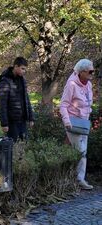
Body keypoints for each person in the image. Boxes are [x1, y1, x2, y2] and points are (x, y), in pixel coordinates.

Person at [60, 59, 94, 190]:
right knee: (81, 152)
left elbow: (88, 102)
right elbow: (63, 105)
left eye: (93, 71)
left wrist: (88, 113)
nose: (92, 73)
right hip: (73, 123)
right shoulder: (71, 84)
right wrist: (67, 122)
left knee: (79, 151)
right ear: (81, 72)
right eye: (90, 71)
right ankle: (80, 179)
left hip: (84, 123)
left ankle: (69, 177)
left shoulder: (89, 84)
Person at [0, 57, 34, 142]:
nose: (24, 71)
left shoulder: (22, 80)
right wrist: (4, 123)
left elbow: (26, 99)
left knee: (23, 145)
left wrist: (31, 118)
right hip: (11, 121)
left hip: (22, 119)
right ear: (15, 66)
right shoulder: (5, 81)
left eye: (25, 69)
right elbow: (2, 104)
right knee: (13, 146)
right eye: (22, 68)